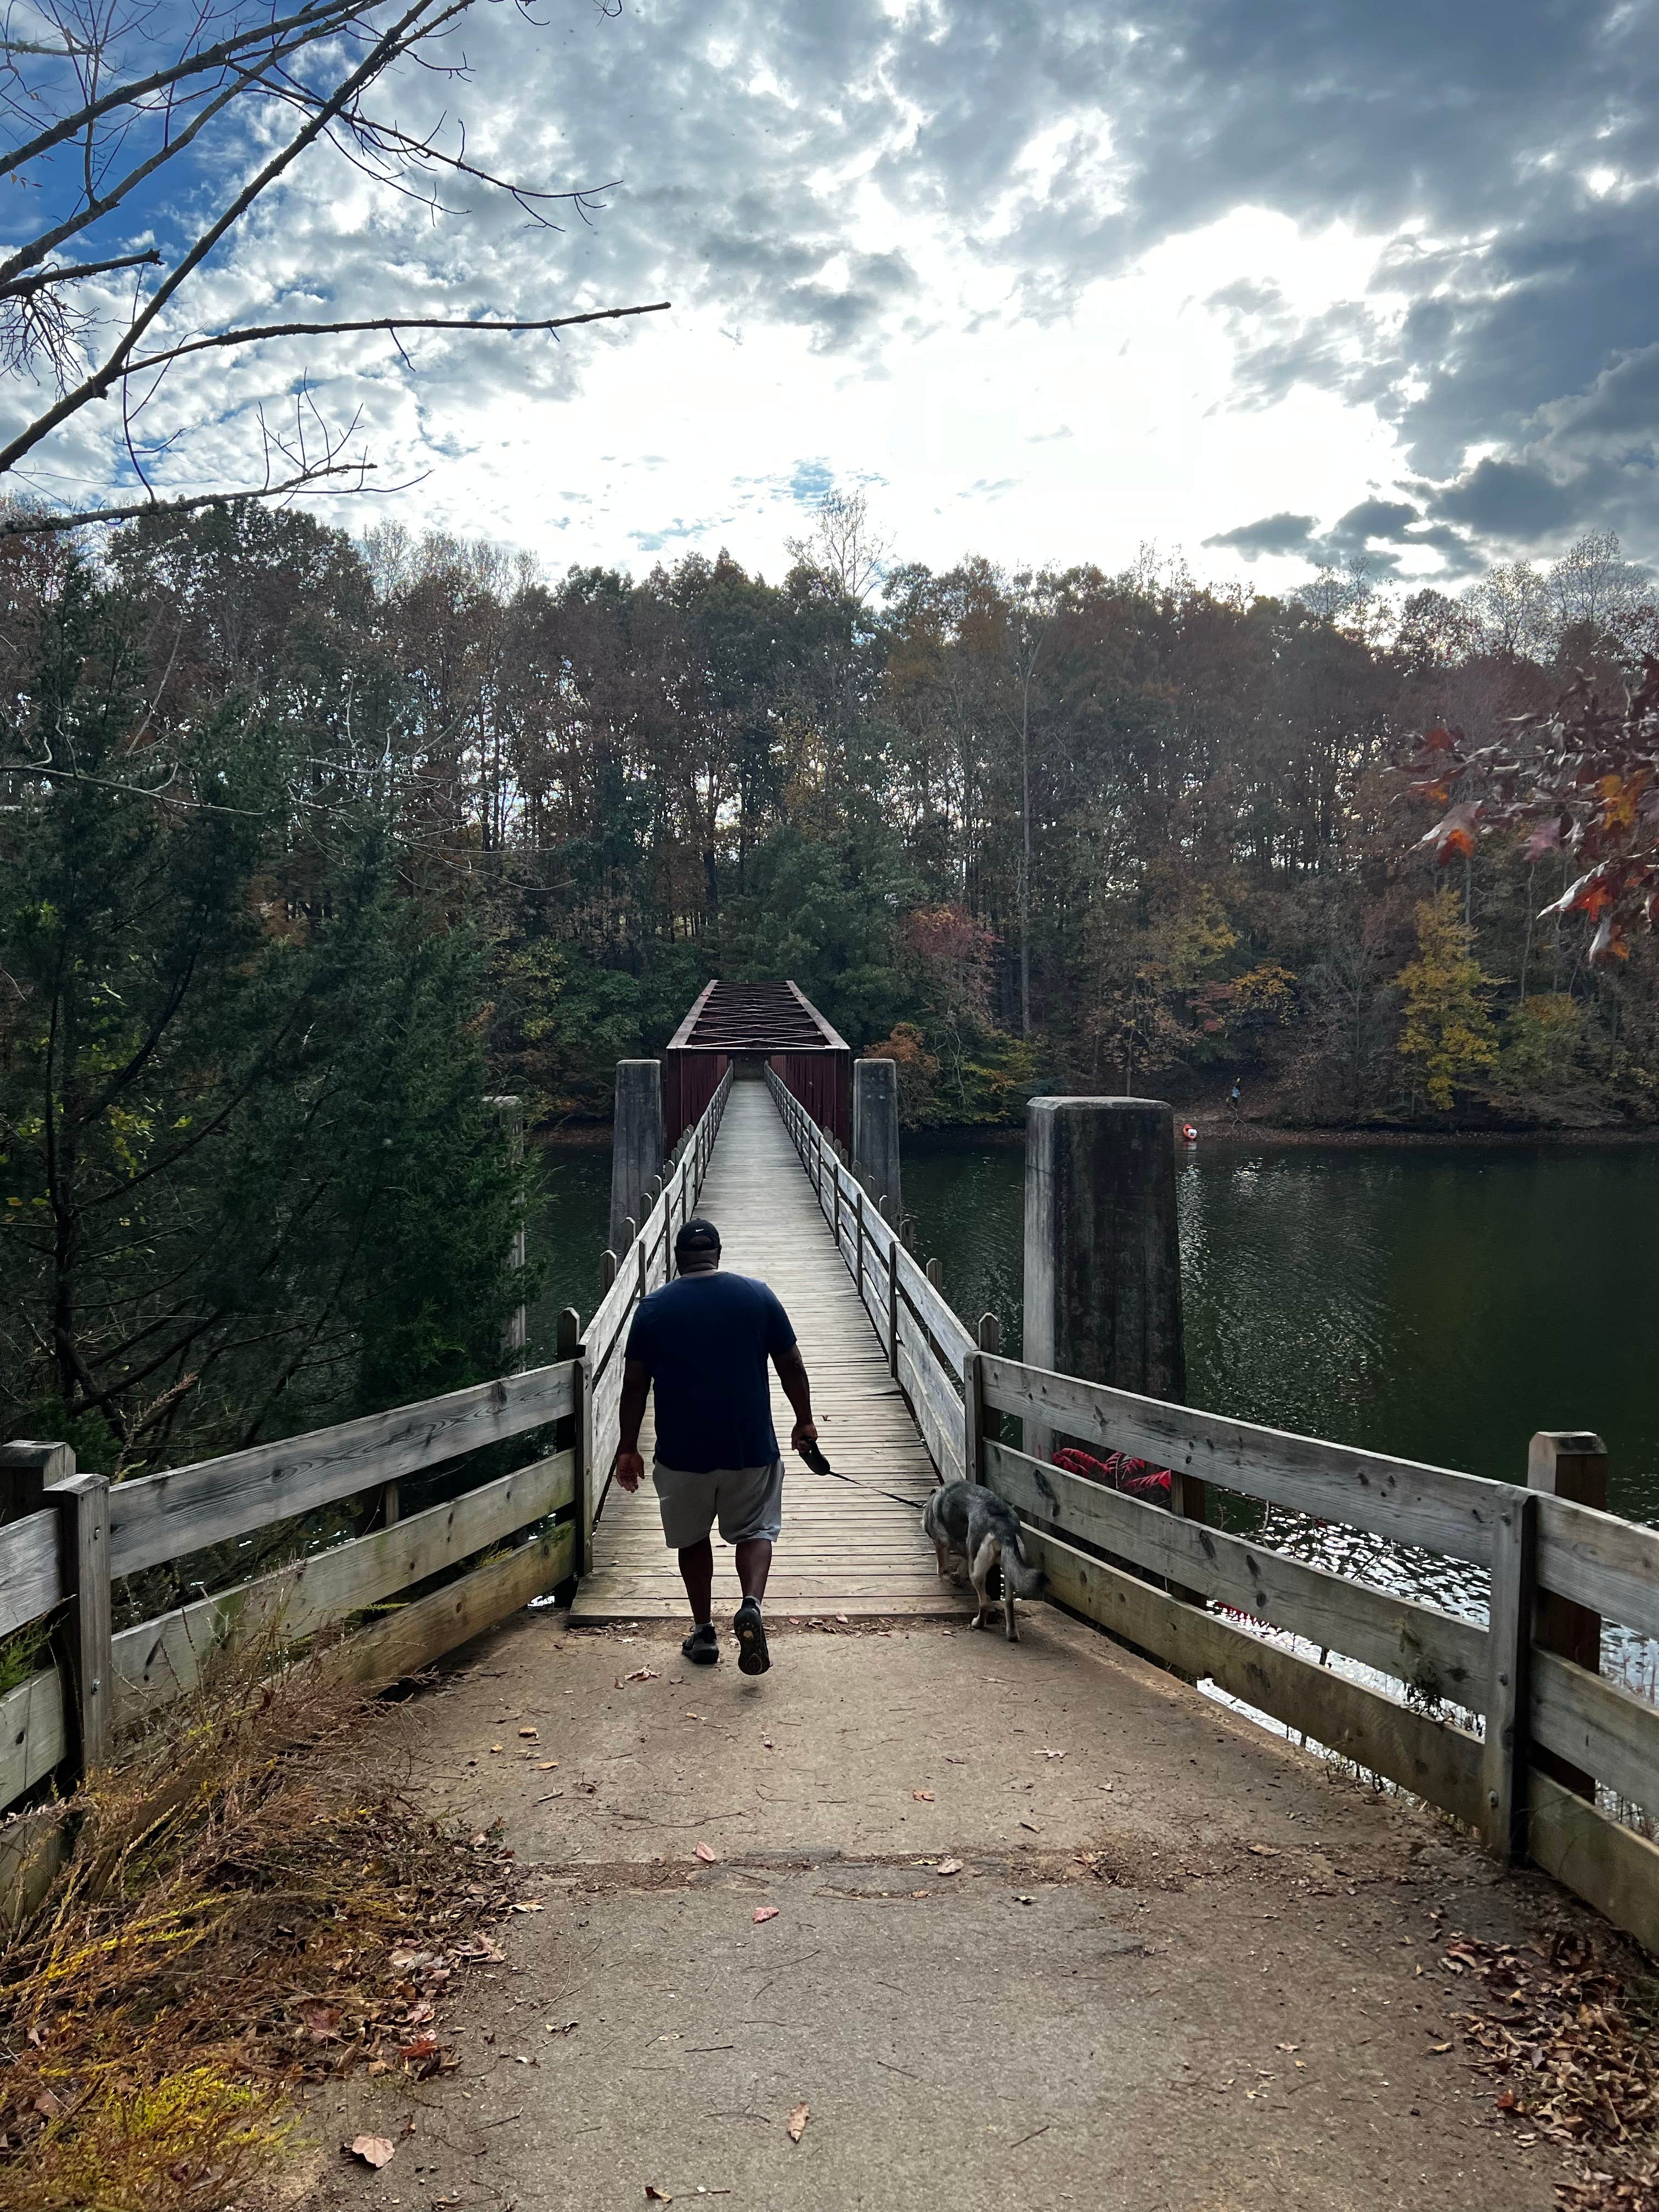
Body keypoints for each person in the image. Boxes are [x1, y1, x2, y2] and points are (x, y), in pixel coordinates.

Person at [614, 1216, 817, 1677]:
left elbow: (634, 1387)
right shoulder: (758, 1295)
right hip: (750, 1446)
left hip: (682, 1452)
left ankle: (704, 1631)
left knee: (692, 1539)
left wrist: (628, 1446)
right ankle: (751, 1605)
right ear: (718, 1254)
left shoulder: (653, 1308)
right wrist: (804, 1421)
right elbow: (792, 1365)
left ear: (677, 1258)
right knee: (756, 1530)